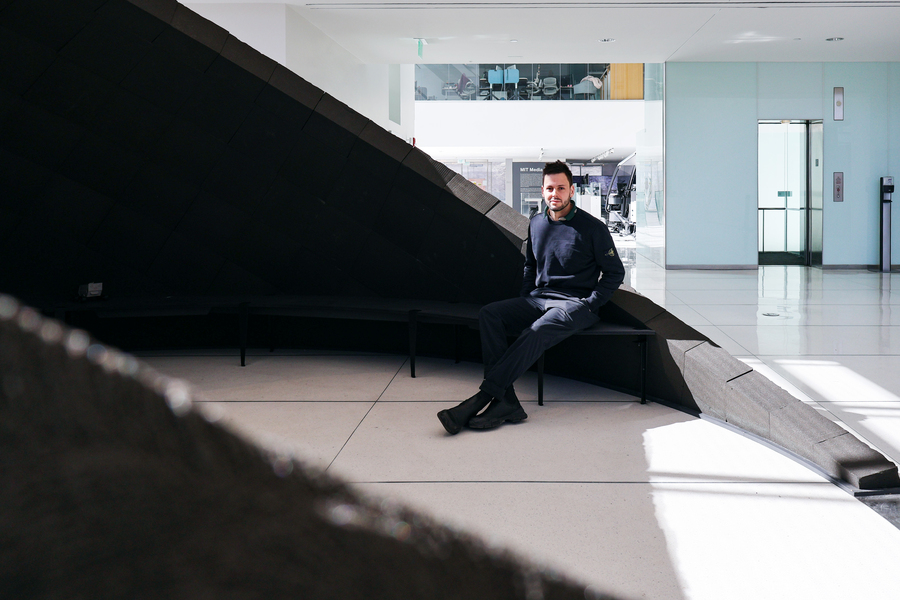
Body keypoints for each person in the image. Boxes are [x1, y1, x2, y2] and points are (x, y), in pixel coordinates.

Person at [438, 161, 625, 434]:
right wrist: (526, 298)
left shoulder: (593, 228)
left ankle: (482, 397)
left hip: (575, 304)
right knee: (490, 314)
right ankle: (508, 401)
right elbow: (531, 266)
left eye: (561, 188)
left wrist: (590, 303)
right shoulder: (536, 223)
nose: (555, 194)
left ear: (571, 190)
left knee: (537, 331)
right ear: (542, 190)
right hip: (539, 299)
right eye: (550, 188)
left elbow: (614, 273)